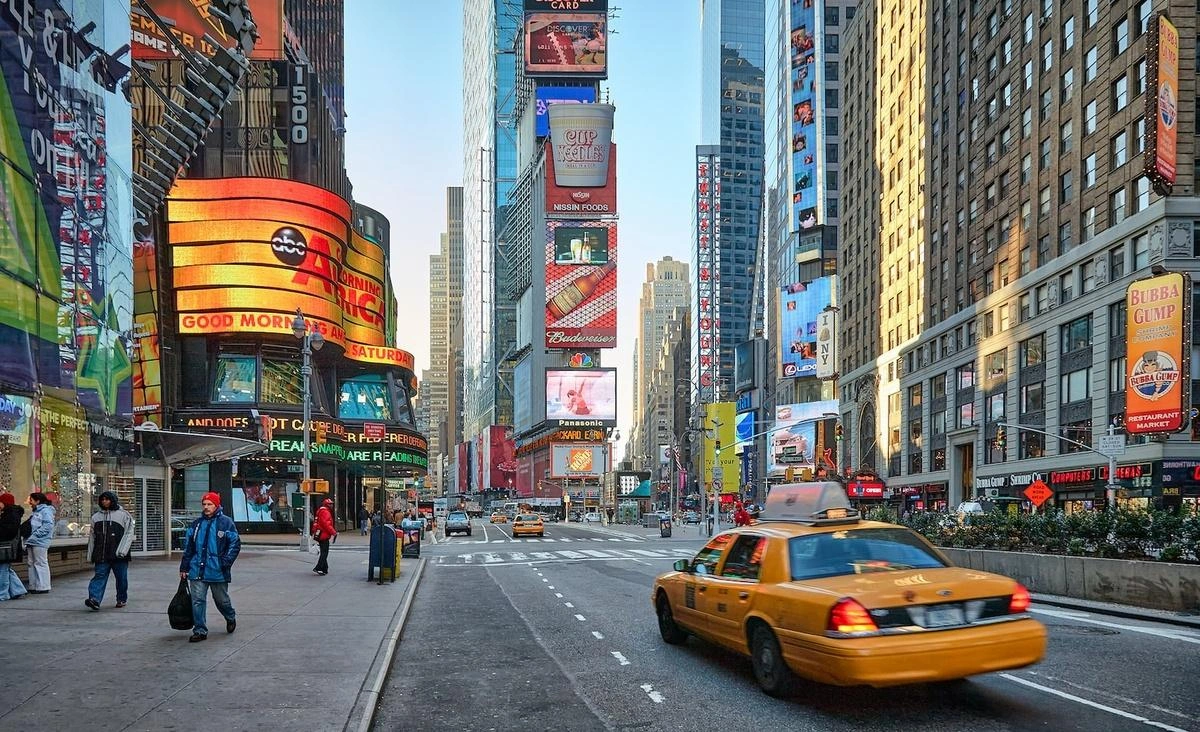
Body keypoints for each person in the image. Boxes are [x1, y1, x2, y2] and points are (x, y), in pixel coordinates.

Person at [179, 492, 240, 643]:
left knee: (221, 600)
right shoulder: (196, 524)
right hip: (197, 569)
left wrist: (225, 562)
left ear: (216, 505)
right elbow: (189, 548)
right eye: (204, 504)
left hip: (217, 570)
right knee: (197, 600)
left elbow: (235, 544)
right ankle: (200, 630)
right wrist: (184, 567)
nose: (206, 507)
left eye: (209, 504)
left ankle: (230, 616)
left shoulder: (226, 523)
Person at [85, 490, 136, 610]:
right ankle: (94, 599)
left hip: (119, 554)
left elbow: (129, 534)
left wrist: (122, 551)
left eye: (107, 499)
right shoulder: (96, 517)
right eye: (102, 499)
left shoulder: (124, 515)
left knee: (121, 578)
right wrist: (90, 554)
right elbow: (92, 537)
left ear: (112, 500)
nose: (104, 501)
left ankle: (121, 598)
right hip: (101, 554)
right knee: (99, 575)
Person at [24, 492, 55, 593]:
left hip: (39, 541)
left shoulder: (45, 511)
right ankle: (34, 585)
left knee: (40, 562)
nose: (30, 502)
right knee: (31, 563)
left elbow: (48, 526)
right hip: (32, 540)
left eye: (31, 500)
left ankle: (43, 586)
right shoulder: (36, 511)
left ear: (38, 501)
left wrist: (35, 535)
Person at [0, 493, 27, 601]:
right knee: (6, 569)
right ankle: (18, 590)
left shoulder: (10, 515)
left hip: (6, 547)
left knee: (3, 570)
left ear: (5, 502)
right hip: (7, 547)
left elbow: (8, 531)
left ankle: (3, 594)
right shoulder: (10, 513)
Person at [311, 498, 336, 576]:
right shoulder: (325, 512)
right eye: (330, 504)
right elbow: (326, 524)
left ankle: (324, 568)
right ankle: (319, 567)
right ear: (327, 505)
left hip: (319, 534)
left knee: (323, 551)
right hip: (323, 535)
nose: (332, 505)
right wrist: (333, 532)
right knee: (325, 552)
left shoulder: (320, 511)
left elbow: (317, 522)